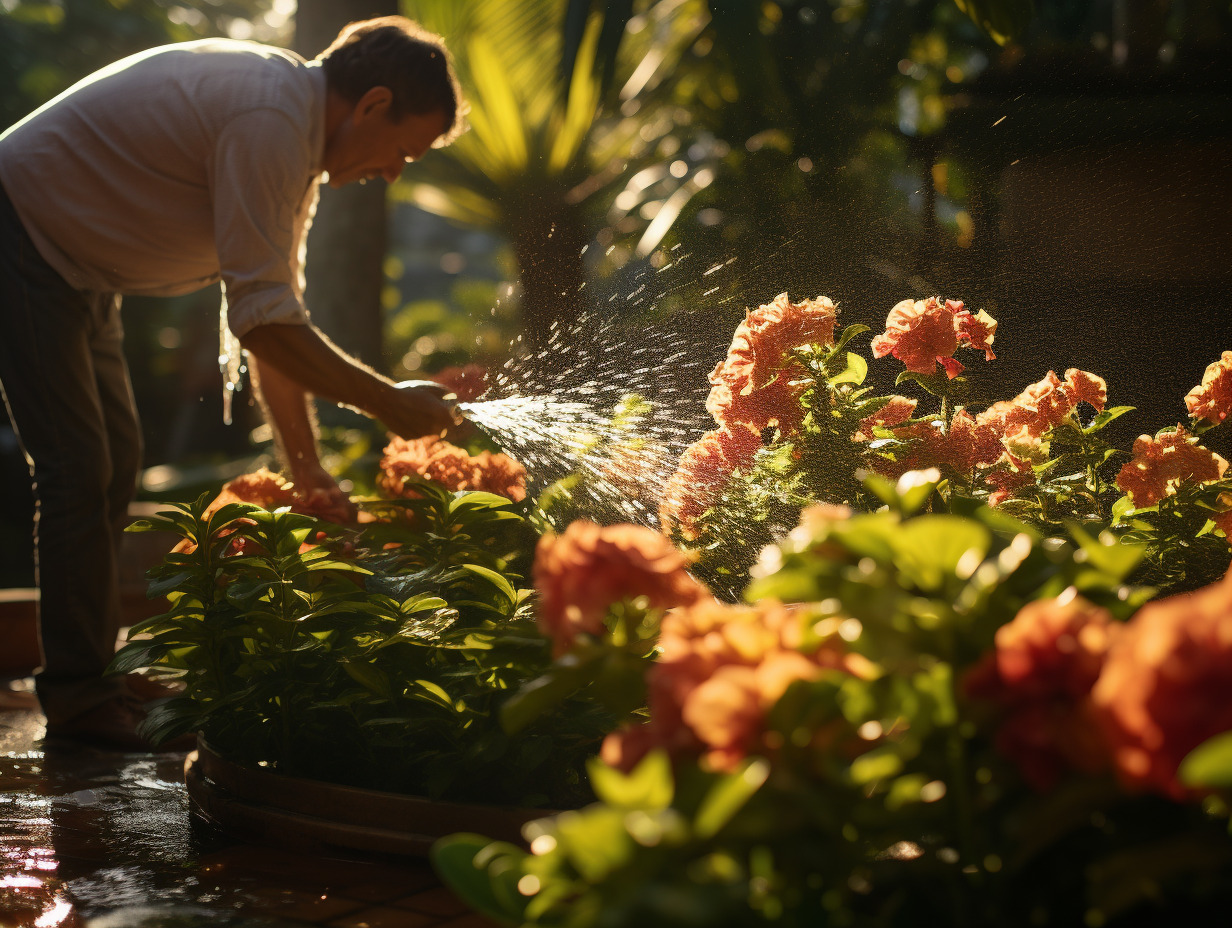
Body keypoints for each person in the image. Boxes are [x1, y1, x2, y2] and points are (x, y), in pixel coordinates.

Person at [0, 16, 467, 751]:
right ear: (373, 105)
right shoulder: (271, 117)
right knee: (77, 467)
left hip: (76, 265)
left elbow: (270, 315)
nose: (393, 172)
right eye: (403, 149)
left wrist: (308, 469)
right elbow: (266, 326)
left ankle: (95, 673)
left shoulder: (292, 137)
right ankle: (80, 696)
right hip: (20, 231)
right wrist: (391, 404)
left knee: (113, 459)